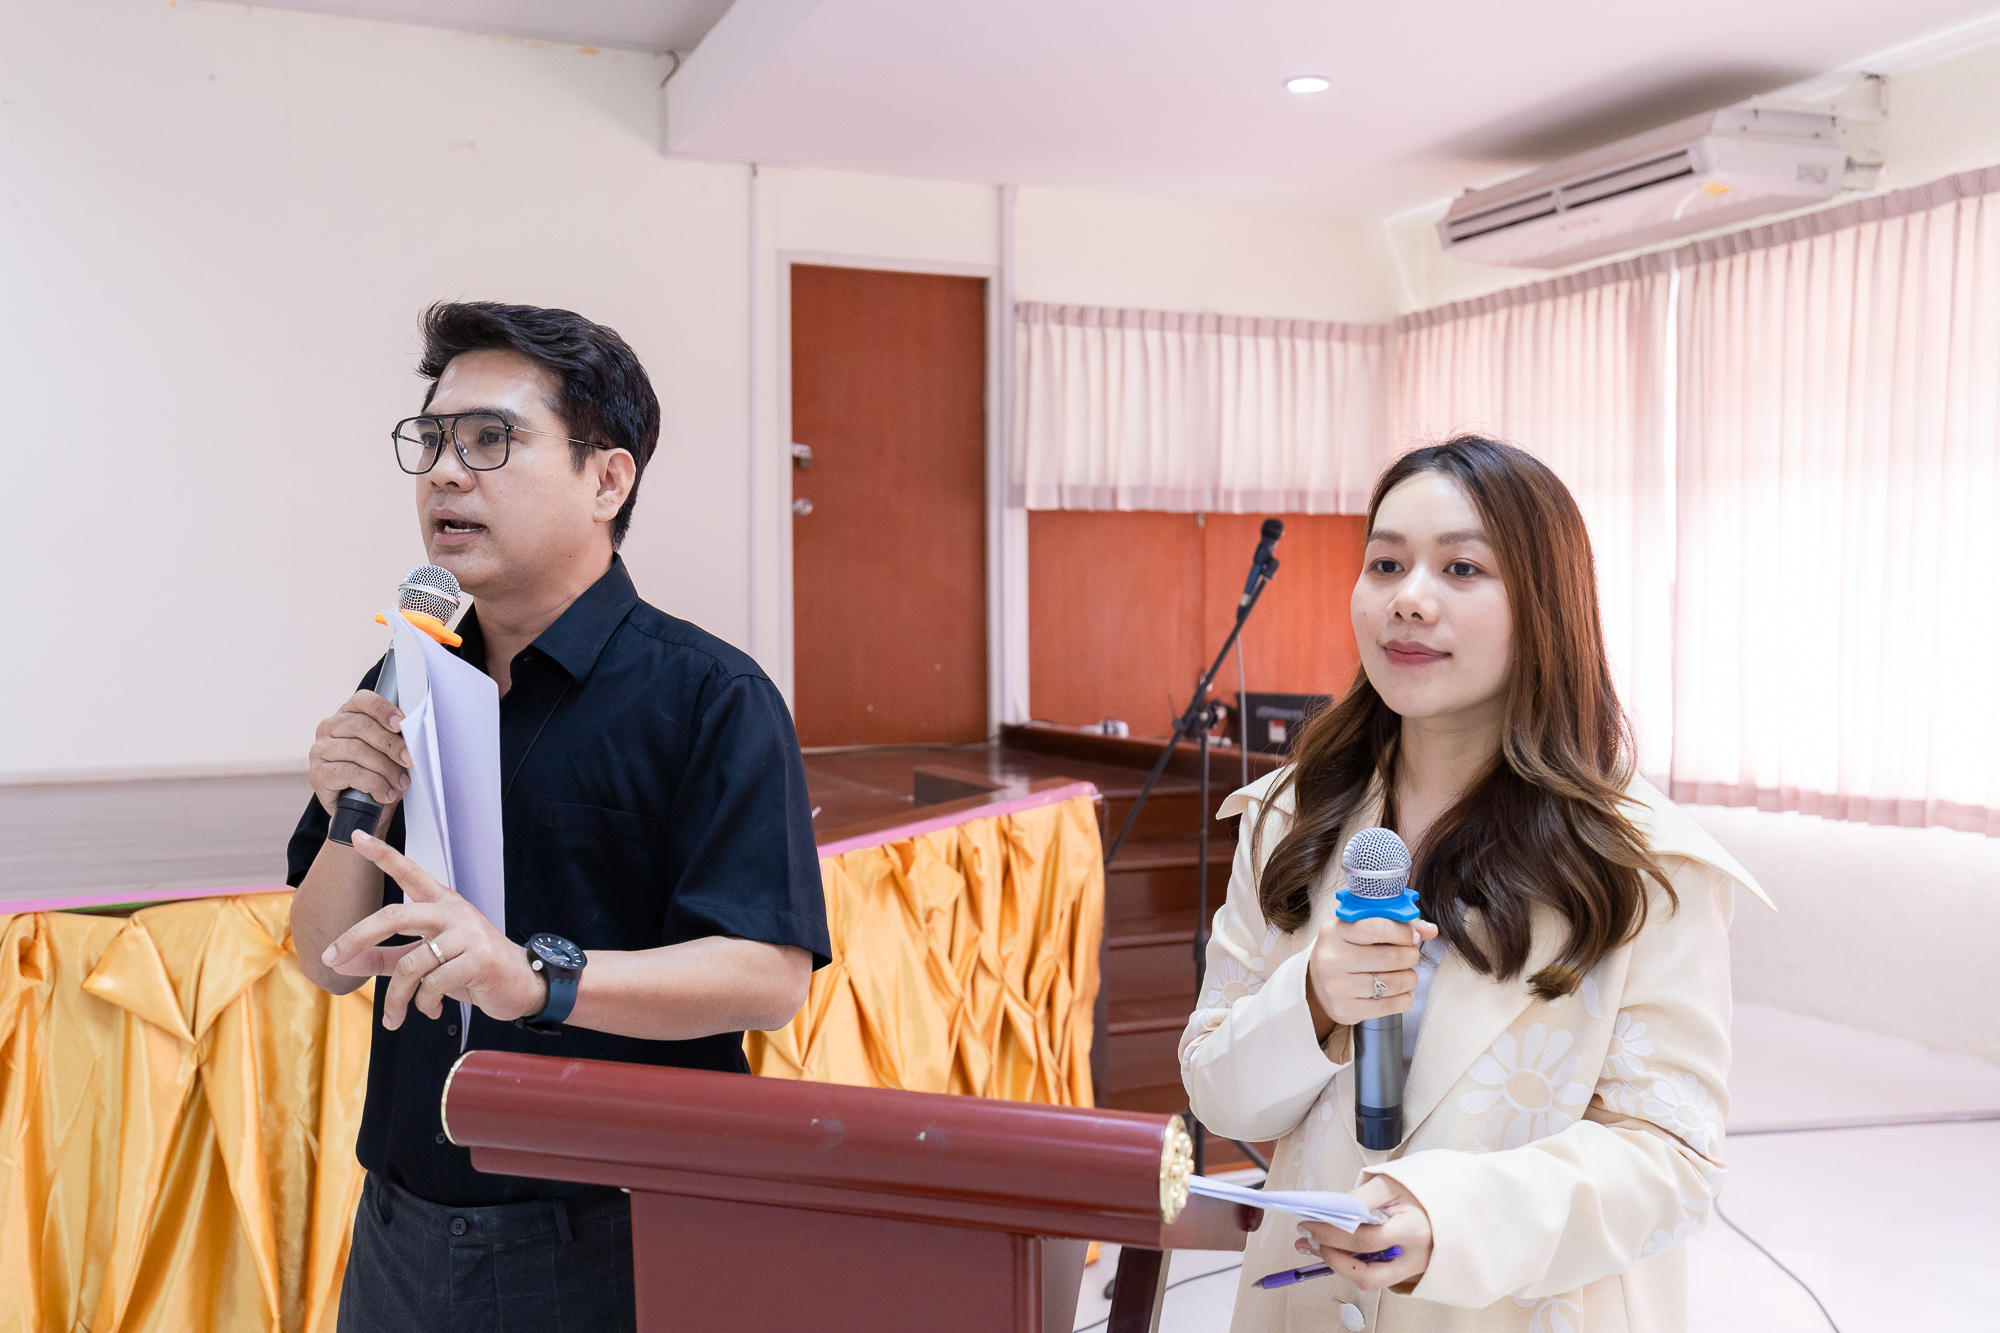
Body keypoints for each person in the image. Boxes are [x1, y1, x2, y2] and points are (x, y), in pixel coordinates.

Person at [286, 301, 830, 1332]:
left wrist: (532, 977)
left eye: (491, 438)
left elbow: (768, 977)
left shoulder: (710, 696)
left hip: (609, 1229)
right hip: (400, 1224)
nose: (445, 473)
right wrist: (354, 807)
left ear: (607, 480)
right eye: (431, 439)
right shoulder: (407, 670)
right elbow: (325, 959)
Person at [1181, 436, 1771, 1333]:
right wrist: (1313, 1001)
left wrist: (1449, 1218)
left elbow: (1672, 1160)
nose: (1409, 598)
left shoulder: (1648, 865)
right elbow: (1217, 1094)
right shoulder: (1286, 816)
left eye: (1461, 568)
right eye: (1386, 563)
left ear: (1545, 606)